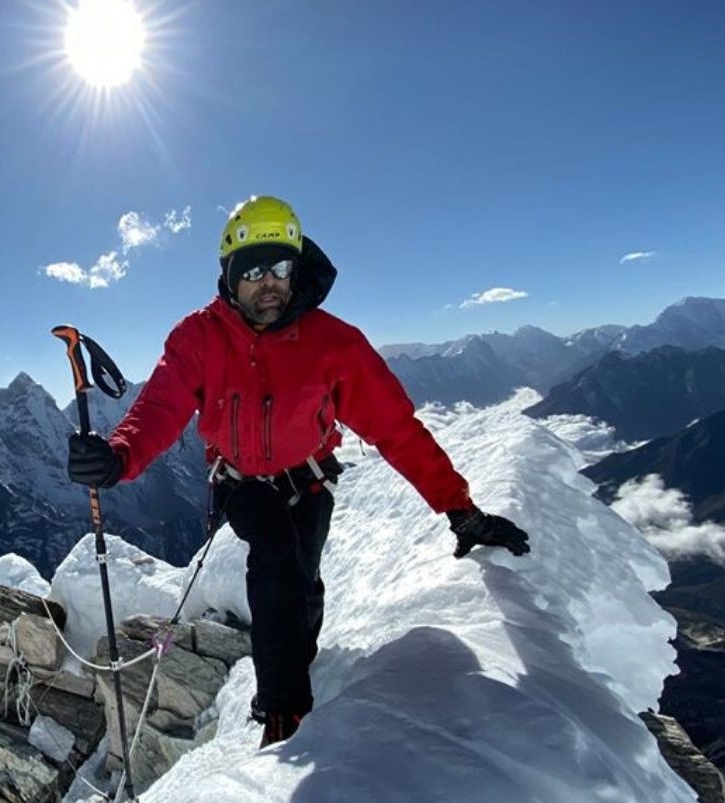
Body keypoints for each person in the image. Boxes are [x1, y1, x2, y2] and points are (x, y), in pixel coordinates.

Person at [68, 195, 530, 747]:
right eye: (255, 270)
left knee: (305, 583)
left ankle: (297, 660)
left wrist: (460, 509)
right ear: (230, 278)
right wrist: (118, 455)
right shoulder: (198, 338)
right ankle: (283, 714)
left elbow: (396, 430)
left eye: (282, 267)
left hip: (310, 479)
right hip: (240, 485)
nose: (271, 282)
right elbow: (160, 409)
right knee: (277, 567)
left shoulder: (335, 344)